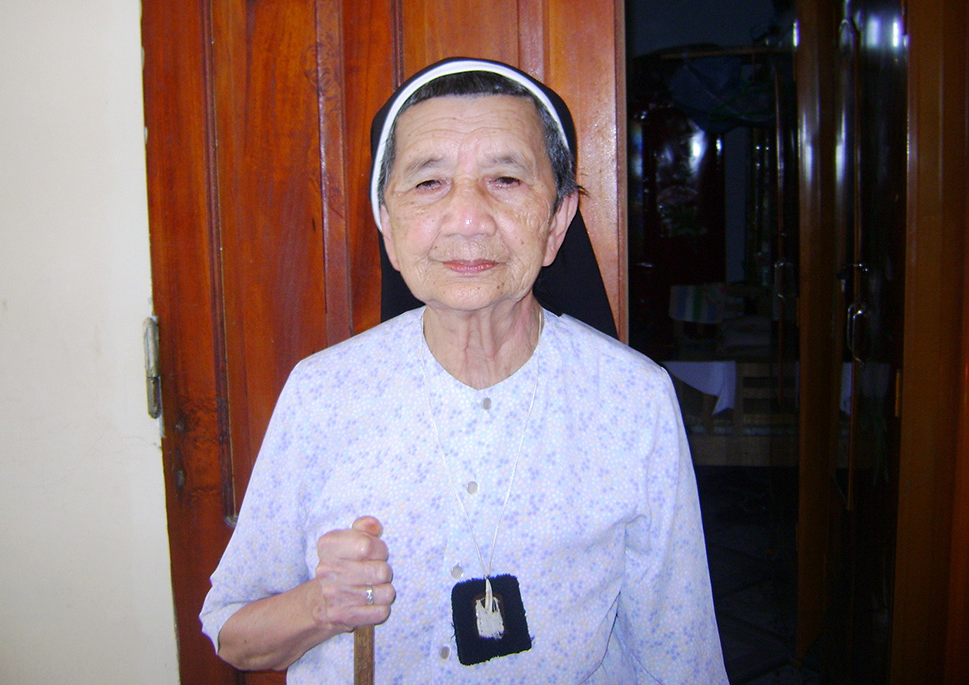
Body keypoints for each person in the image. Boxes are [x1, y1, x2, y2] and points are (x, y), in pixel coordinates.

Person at [200, 57, 727, 683]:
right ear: (388, 228)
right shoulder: (323, 392)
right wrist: (321, 606)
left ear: (557, 222)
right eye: (428, 183)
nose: (468, 217)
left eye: (505, 179)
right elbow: (234, 635)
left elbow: (678, 651)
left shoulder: (633, 399)